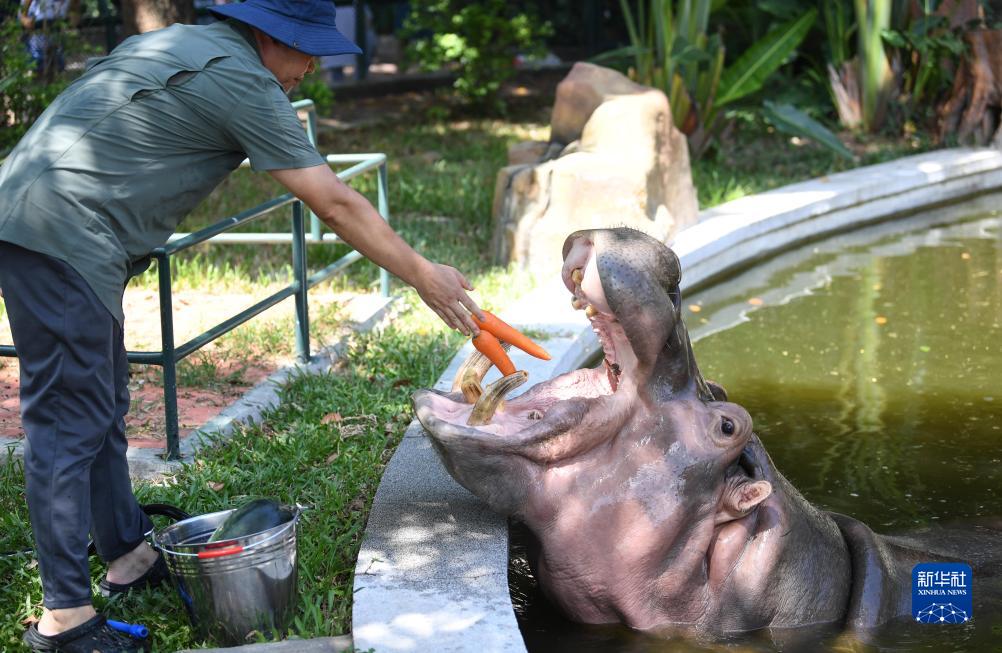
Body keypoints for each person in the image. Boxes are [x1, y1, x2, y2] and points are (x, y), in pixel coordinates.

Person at [0, 1, 482, 651]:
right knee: (67, 420)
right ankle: (64, 620)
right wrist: (423, 274)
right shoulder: (245, 80)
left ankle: (126, 552)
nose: (310, 66)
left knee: (99, 399)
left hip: (50, 219)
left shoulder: (181, 41)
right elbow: (333, 201)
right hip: (62, 233)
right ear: (265, 32)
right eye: (305, 47)